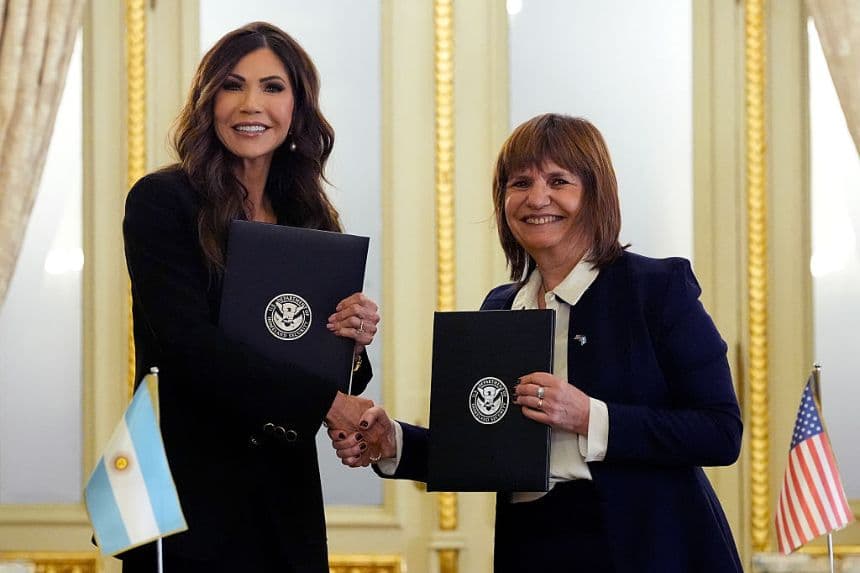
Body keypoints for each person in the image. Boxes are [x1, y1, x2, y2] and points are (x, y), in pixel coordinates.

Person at [329, 114, 743, 572]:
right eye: (520, 182)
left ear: (595, 194)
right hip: (532, 546)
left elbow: (720, 432)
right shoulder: (501, 307)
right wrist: (393, 441)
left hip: (647, 549)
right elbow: (479, 445)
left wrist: (590, 417)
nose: (537, 198)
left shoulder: (657, 288)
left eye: (559, 180)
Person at [121, 22, 380, 573]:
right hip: (186, 489)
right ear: (209, 100)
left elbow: (330, 371)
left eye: (272, 87)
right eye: (232, 85)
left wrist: (353, 345)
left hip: (285, 492)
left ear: (297, 108)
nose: (250, 104)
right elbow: (186, 345)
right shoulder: (161, 201)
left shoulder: (312, 218)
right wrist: (329, 402)